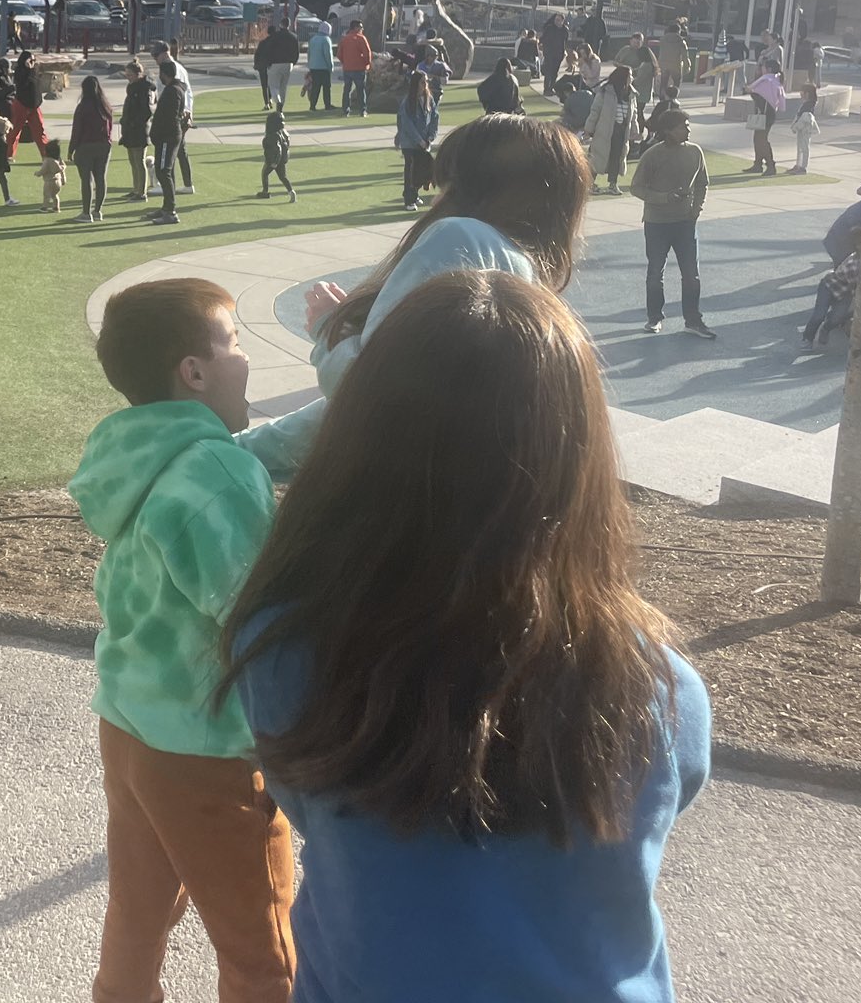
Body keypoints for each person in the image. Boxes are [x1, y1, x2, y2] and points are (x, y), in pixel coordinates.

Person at [223, 269, 707, 1003]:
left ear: (356, 442)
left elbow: (301, 795)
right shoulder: (661, 690)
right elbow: (665, 800)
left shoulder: (280, 650)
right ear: (576, 461)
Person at [69, 279, 295, 1003]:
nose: (246, 359)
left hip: (130, 726)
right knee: (264, 954)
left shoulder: (133, 452)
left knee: (138, 918)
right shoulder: (217, 470)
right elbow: (259, 623)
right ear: (192, 372)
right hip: (207, 751)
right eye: (233, 341)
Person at [237, 115, 590, 479]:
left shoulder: (464, 239)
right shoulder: (525, 277)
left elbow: (374, 393)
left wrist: (330, 327)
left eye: (448, 183)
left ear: (479, 191)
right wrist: (242, 450)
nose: (435, 198)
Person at [631, 107, 716, 338]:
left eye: (688, 126)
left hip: (685, 224)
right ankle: (654, 318)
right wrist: (664, 198)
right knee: (655, 273)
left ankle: (693, 320)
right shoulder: (653, 155)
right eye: (682, 127)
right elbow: (636, 187)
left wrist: (696, 209)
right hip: (657, 223)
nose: (688, 130)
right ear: (668, 131)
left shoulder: (695, 152)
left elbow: (702, 183)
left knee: (691, 274)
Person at [147, 56, 190, 226]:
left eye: (161, 74)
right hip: (167, 136)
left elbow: (170, 117)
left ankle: (170, 211)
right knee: (164, 170)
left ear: (166, 75)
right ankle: (166, 208)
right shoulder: (176, 89)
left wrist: (160, 133)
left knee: (164, 171)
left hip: (168, 136)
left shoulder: (173, 91)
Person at [802, 237, 861, 350]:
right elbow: (858, 290)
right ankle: (807, 338)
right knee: (819, 315)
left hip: (845, 292)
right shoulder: (854, 265)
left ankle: (826, 328)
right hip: (829, 287)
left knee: (837, 318)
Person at [69, 73, 114, 223]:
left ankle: (86, 212)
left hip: (86, 145)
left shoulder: (82, 107)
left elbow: (77, 130)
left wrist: (71, 149)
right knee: (101, 178)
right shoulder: (106, 107)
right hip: (104, 145)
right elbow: (110, 127)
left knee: (86, 180)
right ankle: (98, 211)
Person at [588, 64, 636, 196]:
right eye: (630, 76)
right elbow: (595, 111)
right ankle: (590, 184)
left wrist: (635, 131)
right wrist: (589, 129)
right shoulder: (605, 92)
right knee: (597, 156)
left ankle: (613, 184)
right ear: (623, 77)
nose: (632, 78)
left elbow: (634, 115)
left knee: (617, 156)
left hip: (621, 131)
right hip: (605, 129)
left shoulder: (631, 94)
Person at [394, 71, 438, 213]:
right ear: (415, 84)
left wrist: (431, 136)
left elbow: (435, 117)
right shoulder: (408, 102)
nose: (425, 84)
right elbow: (406, 124)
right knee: (410, 171)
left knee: (421, 169)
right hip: (410, 143)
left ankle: (415, 193)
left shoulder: (429, 99)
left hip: (424, 141)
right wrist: (419, 140)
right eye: (421, 82)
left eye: (426, 81)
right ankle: (409, 199)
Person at [119, 58, 156, 201]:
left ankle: (141, 192)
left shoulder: (144, 89)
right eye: (126, 75)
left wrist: (135, 123)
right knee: (133, 161)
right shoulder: (132, 87)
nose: (128, 77)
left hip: (139, 130)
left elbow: (146, 111)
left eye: (130, 74)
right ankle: (135, 189)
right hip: (129, 130)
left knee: (139, 161)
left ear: (138, 74)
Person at [8, 50, 50, 155]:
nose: (33, 62)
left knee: (40, 132)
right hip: (21, 104)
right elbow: (22, 83)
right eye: (31, 60)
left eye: (34, 60)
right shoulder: (19, 71)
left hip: (34, 106)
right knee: (15, 131)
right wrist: (28, 69)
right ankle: (8, 155)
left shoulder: (35, 71)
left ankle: (47, 155)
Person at [746, 65, 784, 175]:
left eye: (763, 67)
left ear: (769, 69)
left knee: (761, 140)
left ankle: (770, 165)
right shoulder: (773, 80)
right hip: (764, 113)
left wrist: (750, 90)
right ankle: (758, 164)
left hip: (765, 114)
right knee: (757, 139)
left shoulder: (768, 80)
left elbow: (758, 96)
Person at [258, 106, 295, 203]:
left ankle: (265, 191)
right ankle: (291, 191)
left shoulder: (273, 135)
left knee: (265, 173)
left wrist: (274, 162)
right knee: (283, 177)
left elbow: (278, 149)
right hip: (282, 160)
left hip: (273, 159)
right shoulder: (284, 133)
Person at [337, 20, 373, 117]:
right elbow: (367, 54)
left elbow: (339, 54)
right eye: (360, 27)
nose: (362, 29)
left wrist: (345, 62)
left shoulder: (344, 39)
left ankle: (346, 110)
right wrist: (367, 64)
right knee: (361, 90)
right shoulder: (361, 38)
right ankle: (362, 110)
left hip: (347, 68)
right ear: (356, 28)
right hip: (359, 68)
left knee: (346, 90)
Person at [253, 23, 292, 111]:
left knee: (264, 85)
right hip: (271, 65)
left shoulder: (263, 42)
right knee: (272, 84)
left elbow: (257, 54)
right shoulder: (277, 43)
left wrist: (256, 64)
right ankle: (271, 99)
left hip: (262, 65)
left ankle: (267, 103)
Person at [304, 20, 335, 111]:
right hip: (324, 68)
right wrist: (331, 67)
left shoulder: (313, 39)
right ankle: (327, 105)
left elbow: (309, 53)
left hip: (314, 67)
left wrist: (310, 64)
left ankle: (312, 105)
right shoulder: (326, 40)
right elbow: (328, 55)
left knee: (315, 87)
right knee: (326, 87)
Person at [792, 84, 820, 175]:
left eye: (802, 91)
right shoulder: (806, 104)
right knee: (800, 147)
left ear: (807, 94)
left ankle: (803, 167)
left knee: (804, 147)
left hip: (805, 129)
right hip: (801, 128)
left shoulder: (809, 105)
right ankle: (798, 165)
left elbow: (805, 118)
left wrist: (796, 126)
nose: (800, 93)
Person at [657, 20, 689, 94]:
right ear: (679, 31)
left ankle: (662, 97)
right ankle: (673, 97)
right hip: (676, 65)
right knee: (676, 82)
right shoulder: (681, 41)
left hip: (664, 64)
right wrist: (687, 67)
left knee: (664, 82)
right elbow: (685, 56)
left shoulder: (663, 40)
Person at [540, 12, 570, 84]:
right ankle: (547, 89)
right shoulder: (549, 28)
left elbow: (565, 41)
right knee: (548, 71)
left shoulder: (565, 30)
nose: (556, 21)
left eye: (558, 20)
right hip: (549, 53)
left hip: (559, 53)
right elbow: (543, 38)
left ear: (562, 21)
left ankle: (552, 86)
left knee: (555, 72)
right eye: (556, 19)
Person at [38, 138, 67, 213]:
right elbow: (63, 167)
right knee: (55, 195)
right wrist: (63, 179)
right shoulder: (58, 160)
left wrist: (38, 173)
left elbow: (44, 170)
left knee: (46, 194)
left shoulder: (47, 160)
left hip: (49, 181)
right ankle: (56, 207)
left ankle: (45, 207)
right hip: (58, 181)